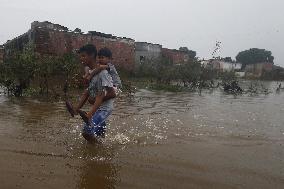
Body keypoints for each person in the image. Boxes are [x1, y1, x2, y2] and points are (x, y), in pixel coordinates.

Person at [66, 44, 115, 141]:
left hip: (104, 109)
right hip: (97, 108)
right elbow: (87, 92)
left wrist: (90, 111)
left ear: (92, 55)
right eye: (80, 56)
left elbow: (112, 94)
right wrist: (77, 108)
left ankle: (97, 151)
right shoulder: (90, 72)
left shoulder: (103, 73)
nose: (81, 59)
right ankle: (102, 151)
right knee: (99, 137)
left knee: (86, 132)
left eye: (83, 56)